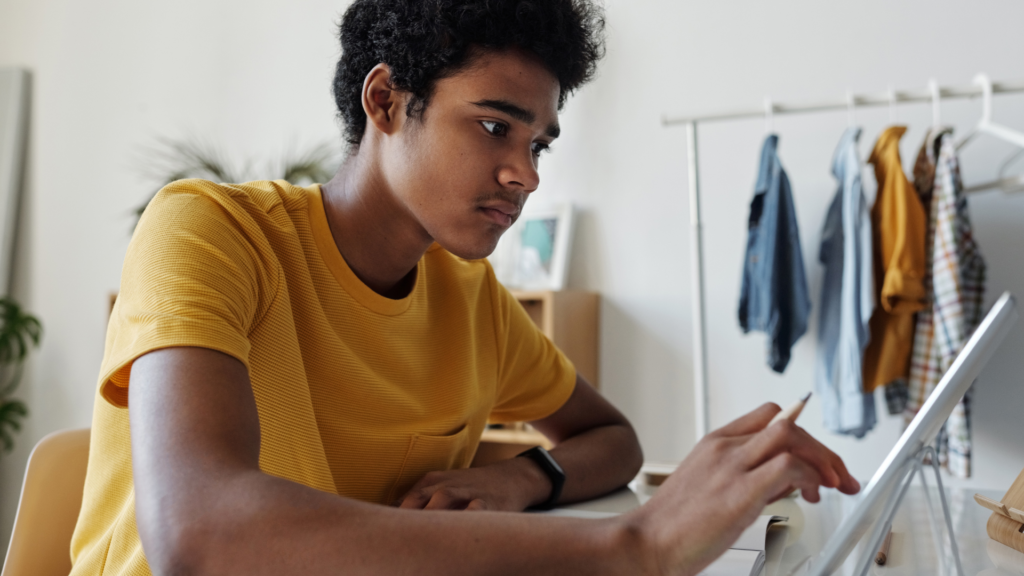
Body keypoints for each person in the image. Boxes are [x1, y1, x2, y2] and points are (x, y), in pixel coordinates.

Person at [69, 1, 860, 574]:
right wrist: (635, 545)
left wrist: (518, 479)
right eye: (494, 127)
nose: (526, 175)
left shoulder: (469, 296)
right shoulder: (211, 232)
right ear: (385, 101)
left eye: (538, 143)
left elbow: (610, 438)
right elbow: (199, 533)